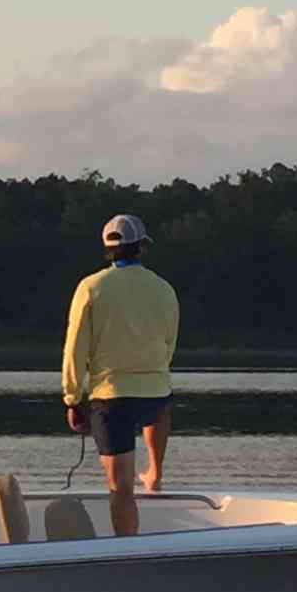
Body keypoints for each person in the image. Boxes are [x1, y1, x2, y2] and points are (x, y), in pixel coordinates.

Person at [62, 214, 179, 536]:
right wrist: (155, 373)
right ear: (141, 247)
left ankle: (127, 548)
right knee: (160, 402)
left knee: (121, 490)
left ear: (107, 249)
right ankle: (155, 472)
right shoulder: (164, 289)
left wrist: (73, 398)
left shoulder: (90, 287)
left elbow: (75, 348)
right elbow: (169, 342)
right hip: (155, 395)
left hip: (111, 398)